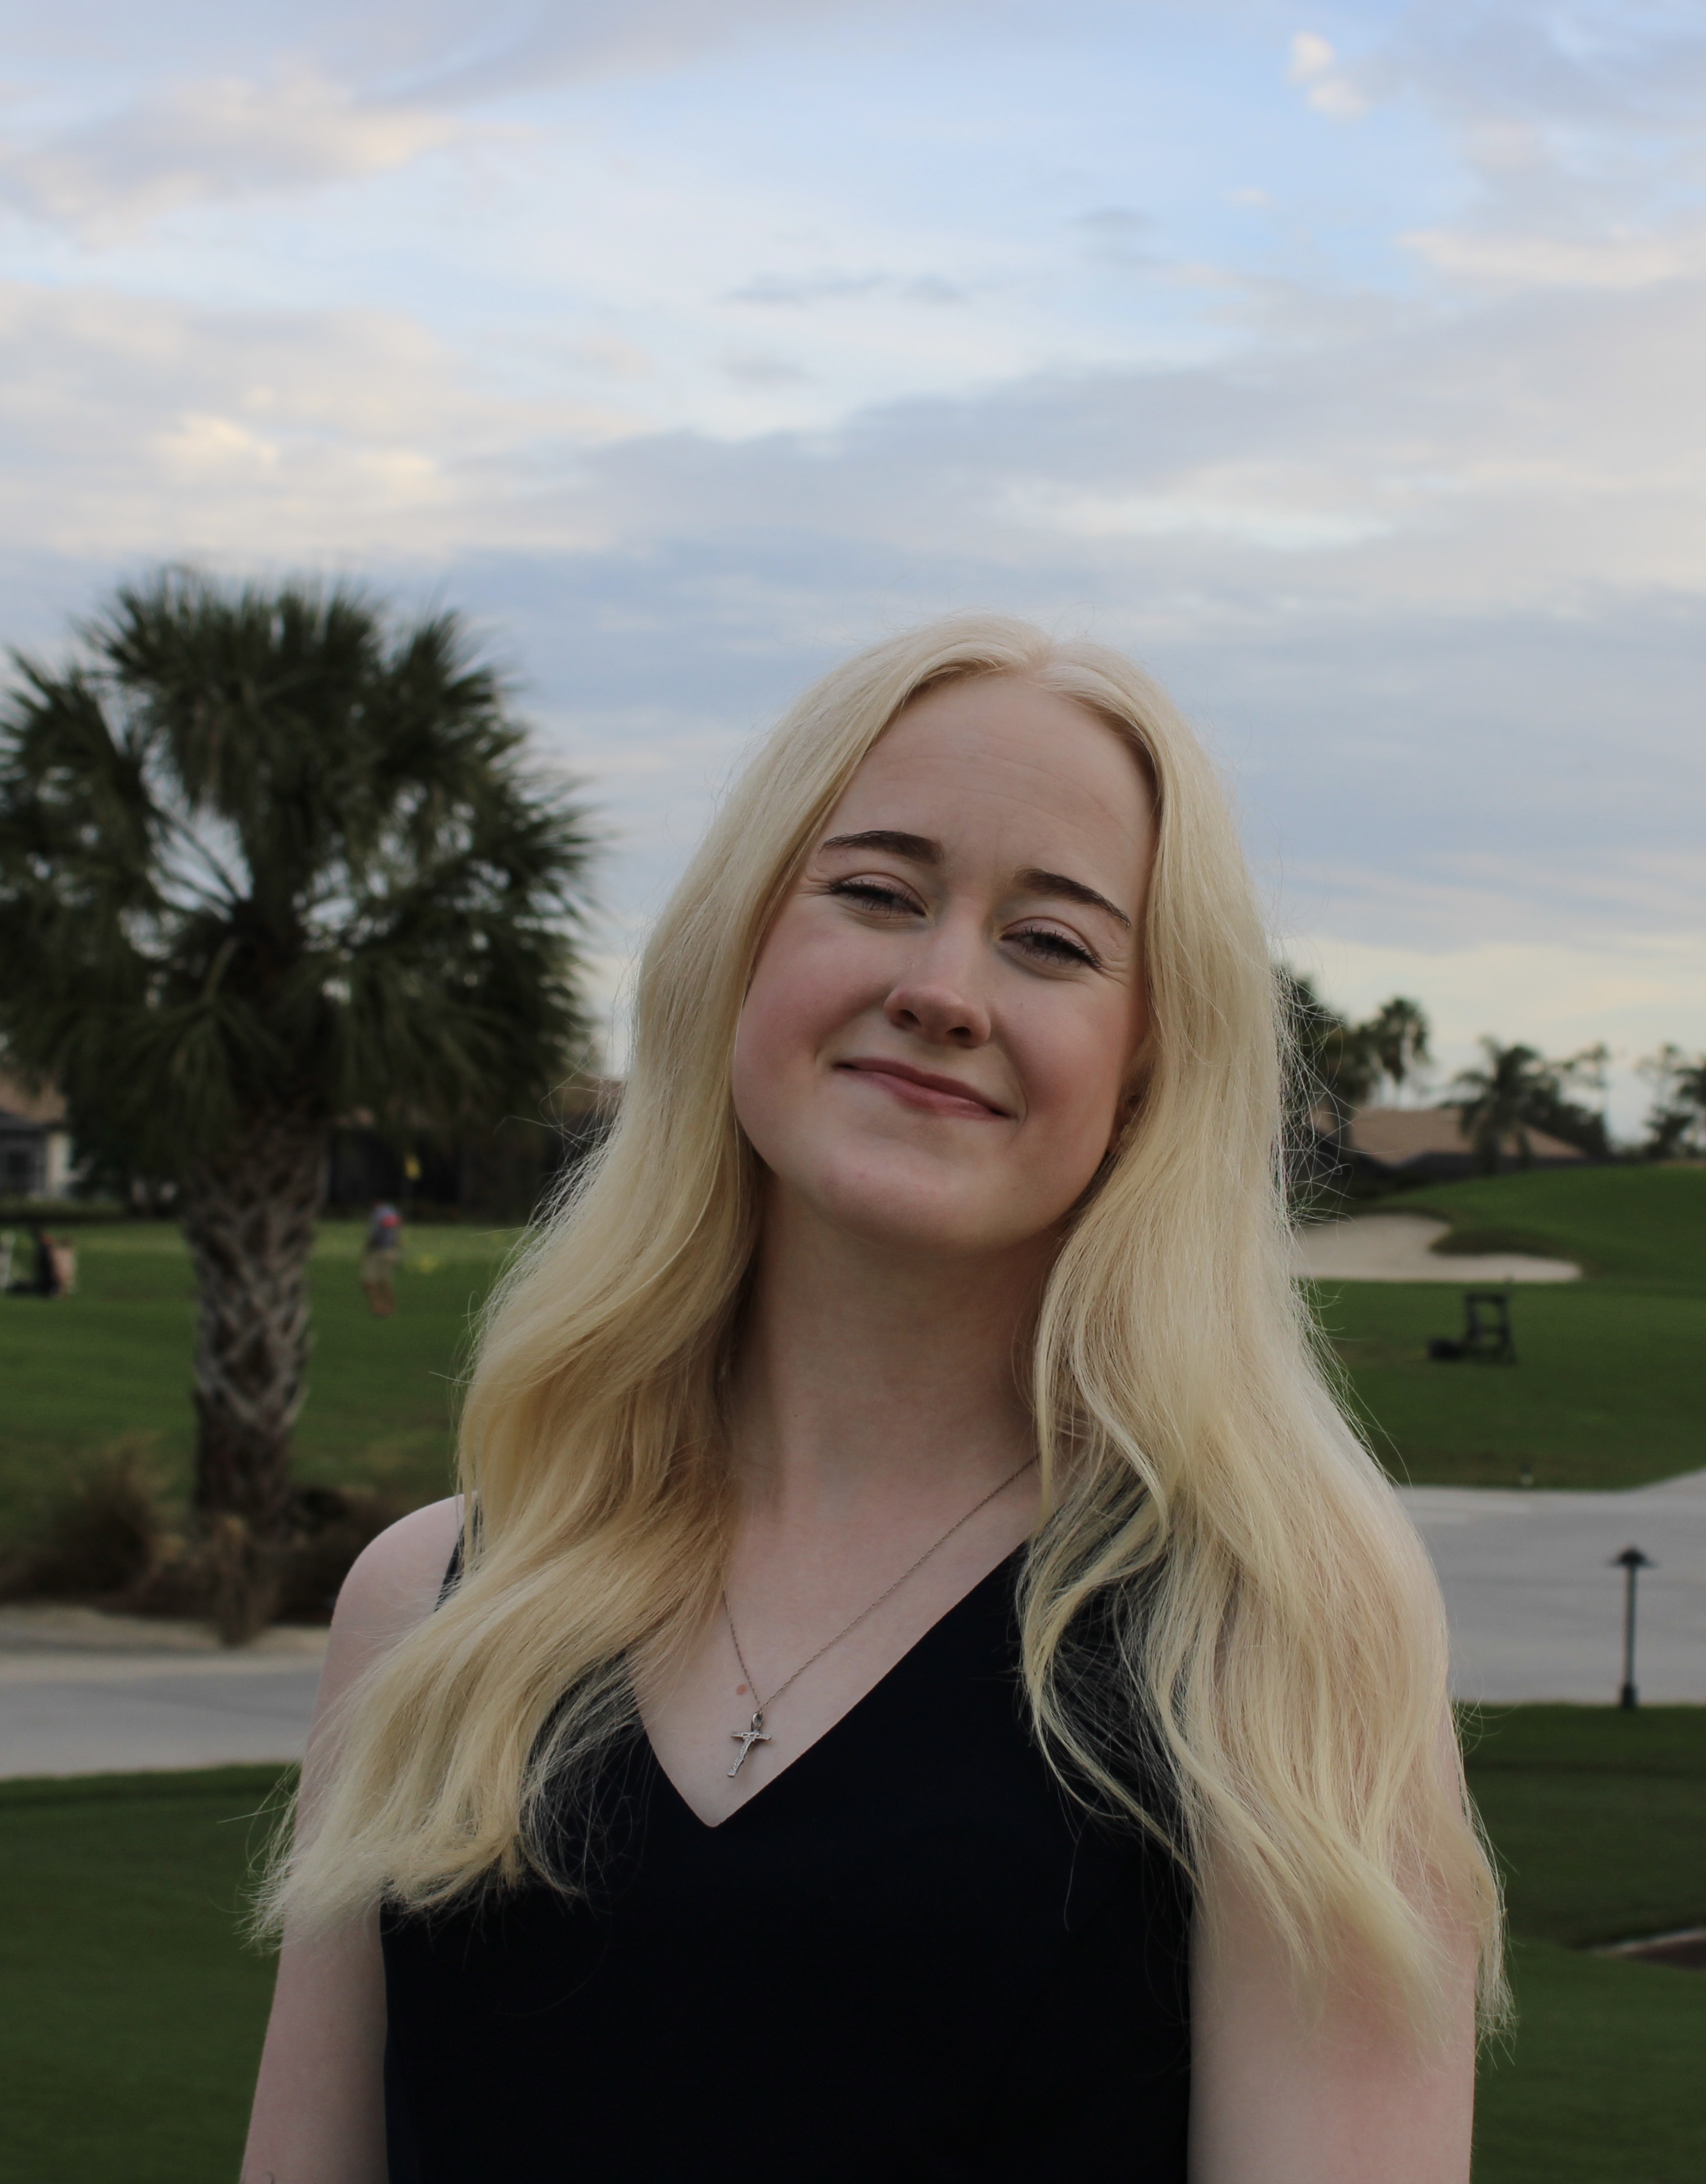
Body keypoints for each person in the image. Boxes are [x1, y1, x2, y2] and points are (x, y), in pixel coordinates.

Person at [244, 617, 1502, 2184]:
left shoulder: (1277, 1631)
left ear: (1144, 1070)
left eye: (1050, 941)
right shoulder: (429, 1609)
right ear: (738, 950)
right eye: (875, 892)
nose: (941, 986)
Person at [359, 1203, 402, 1319]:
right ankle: (389, 1308)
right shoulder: (393, 1212)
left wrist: (366, 1251)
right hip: (392, 1251)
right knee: (384, 1281)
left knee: (368, 1281)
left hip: (380, 1251)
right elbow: (398, 1234)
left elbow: (374, 1234)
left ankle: (379, 1307)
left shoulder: (378, 1214)